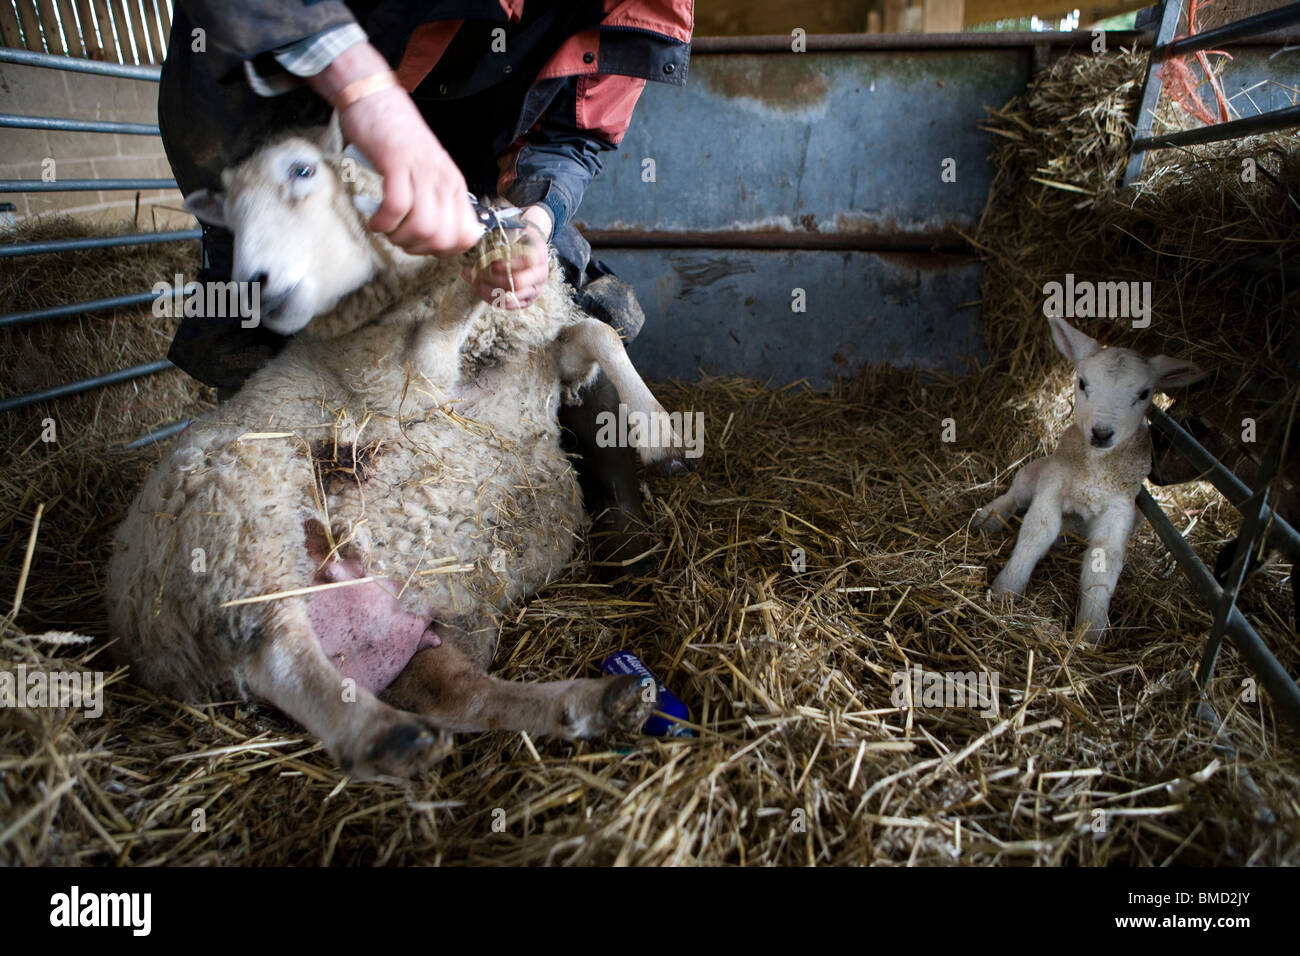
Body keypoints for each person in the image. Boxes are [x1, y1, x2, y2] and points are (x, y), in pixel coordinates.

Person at [157, 1, 694, 578]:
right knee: (257, 314)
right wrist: (367, 97)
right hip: (277, 90)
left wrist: (533, 220)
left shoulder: (640, 6)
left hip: (477, 135)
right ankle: (267, 522)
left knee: (560, 285)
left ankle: (617, 504)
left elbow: (576, 135)